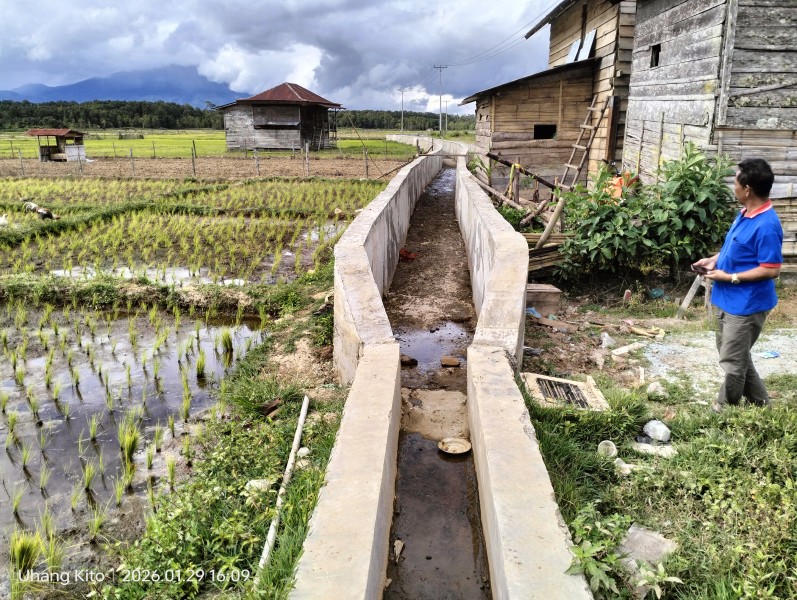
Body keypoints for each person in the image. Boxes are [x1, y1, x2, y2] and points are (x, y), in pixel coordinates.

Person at [692, 158, 783, 412]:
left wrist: (730, 277)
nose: (734, 188)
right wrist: (713, 260)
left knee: (732, 363)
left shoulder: (767, 226)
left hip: (746, 305)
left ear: (747, 189)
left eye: (735, 183)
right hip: (727, 299)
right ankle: (761, 405)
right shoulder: (744, 214)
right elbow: (734, 249)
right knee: (735, 355)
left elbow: (772, 269)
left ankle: (724, 410)